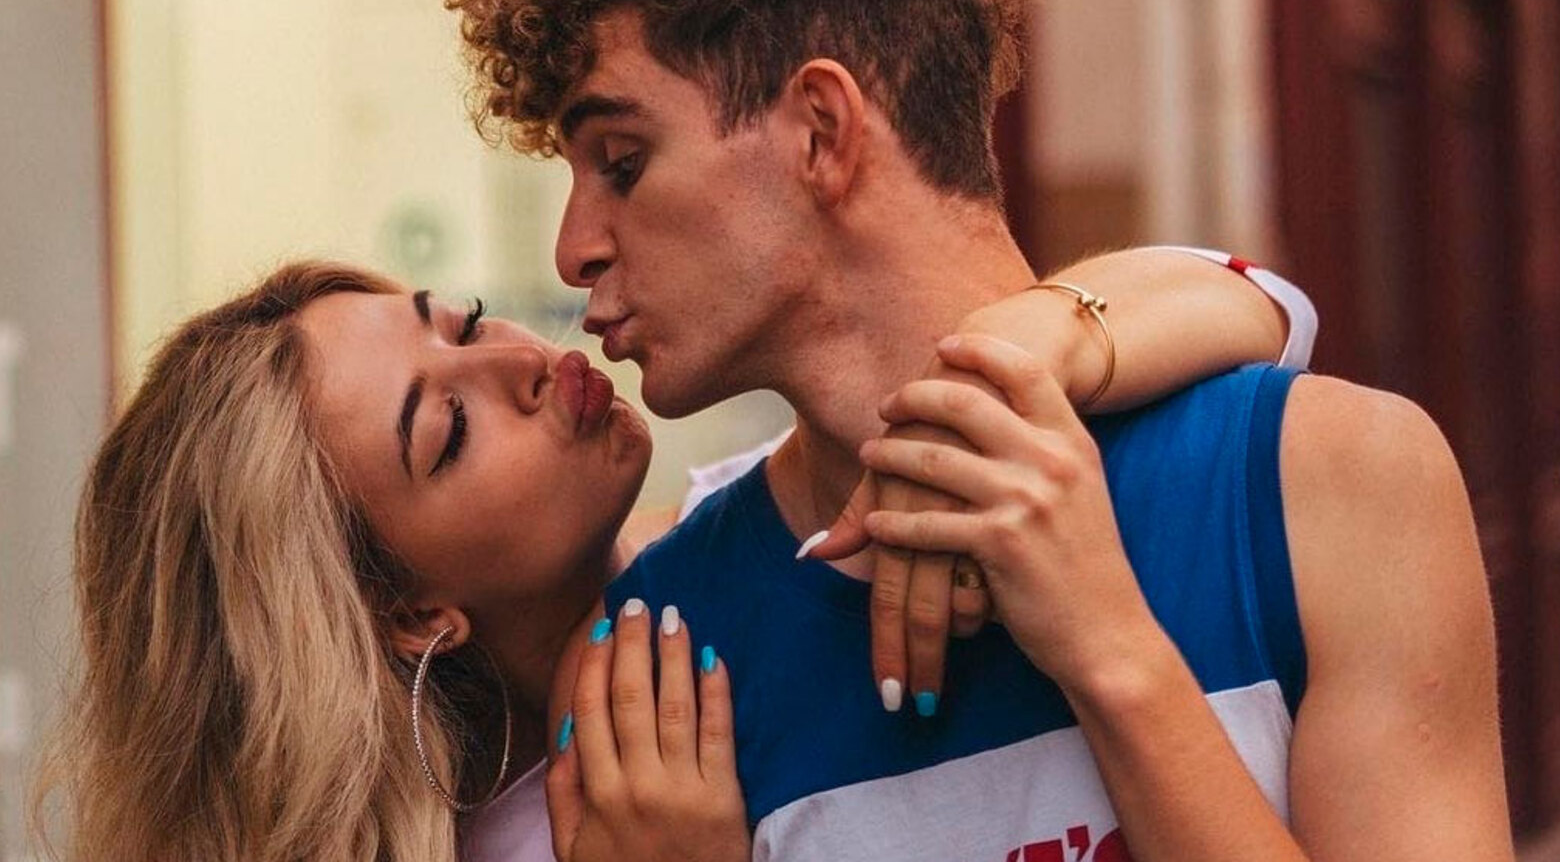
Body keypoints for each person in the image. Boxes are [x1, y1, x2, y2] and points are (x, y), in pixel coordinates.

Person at [445, 0, 1513, 861]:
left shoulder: (1330, 484)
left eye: (623, 163)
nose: (574, 250)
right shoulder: (652, 664)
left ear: (821, 131)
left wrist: (1111, 652)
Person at [32, 253, 1306, 862]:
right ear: (414, 612)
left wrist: (1023, 345)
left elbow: (1262, 304)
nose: (521, 361)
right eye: (449, 430)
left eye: (461, 323)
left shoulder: (784, 521)